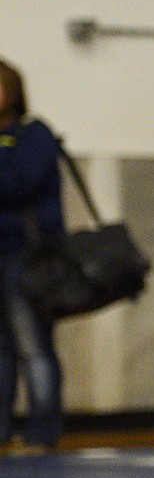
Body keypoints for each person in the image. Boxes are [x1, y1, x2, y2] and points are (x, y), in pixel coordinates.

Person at [0, 57, 64, 457]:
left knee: (33, 346)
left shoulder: (33, 133)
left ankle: (42, 433)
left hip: (27, 259)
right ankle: (2, 431)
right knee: (0, 349)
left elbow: (17, 183)